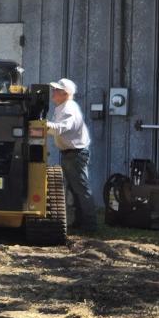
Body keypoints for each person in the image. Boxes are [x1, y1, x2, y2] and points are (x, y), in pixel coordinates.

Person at [45, 77, 98, 233]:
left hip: (75, 154)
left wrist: (42, 124)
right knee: (75, 189)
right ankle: (80, 222)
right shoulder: (62, 107)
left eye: (57, 90)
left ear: (65, 93)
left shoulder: (68, 108)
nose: (53, 92)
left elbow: (61, 128)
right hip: (70, 153)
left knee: (81, 188)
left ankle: (90, 225)